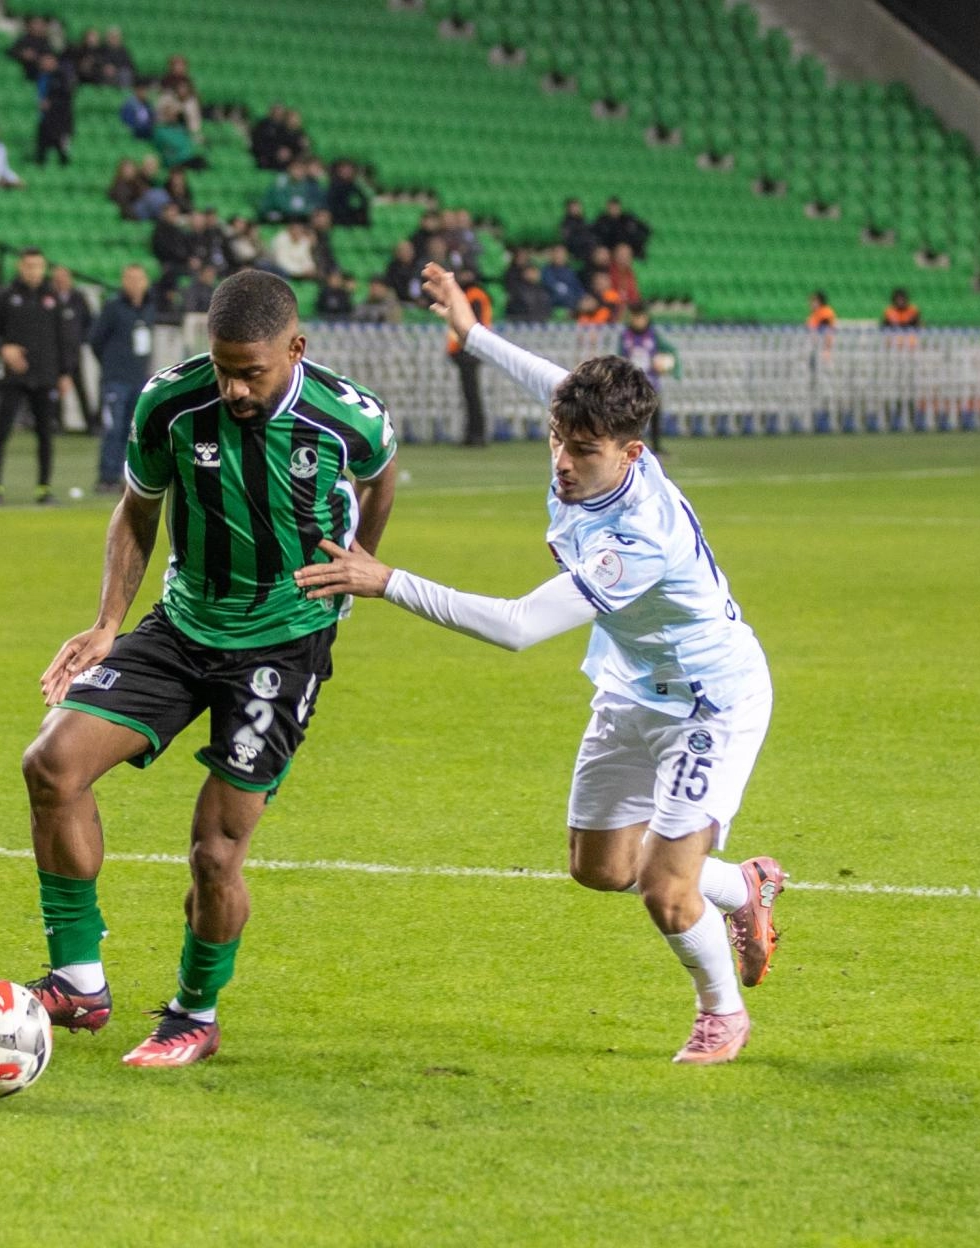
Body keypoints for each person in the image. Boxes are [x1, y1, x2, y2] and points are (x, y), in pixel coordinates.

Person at [294, 262, 784, 1066]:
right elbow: (551, 383)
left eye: (581, 451)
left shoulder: (639, 538)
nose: (561, 459)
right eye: (557, 439)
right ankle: (744, 886)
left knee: (665, 890)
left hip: (709, 702)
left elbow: (520, 626)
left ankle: (722, 1013)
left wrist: (388, 581)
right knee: (602, 868)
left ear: (630, 453)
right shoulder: (585, 434)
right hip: (629, 686)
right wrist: (471, 332)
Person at [15, 270, 398, 1067]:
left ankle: (194, 1013)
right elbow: (137, 509)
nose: (233, 388)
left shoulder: (348, 418)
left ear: (295, 349)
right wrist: (108, 623)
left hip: (284, 645)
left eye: (250, 372)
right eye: (222, 368)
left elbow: (382, 473)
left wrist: (362, 558)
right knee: (51, 764)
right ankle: (78, 981)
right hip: (184, 623)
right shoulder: (169, 403)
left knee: (216, 851)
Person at [0, 248, 78, 503]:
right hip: (13, 376)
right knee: (2, 430)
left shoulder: (53, 297)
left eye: (38, 266)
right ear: (20, 267)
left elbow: (64, 338)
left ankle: (44, 488)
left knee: (46, 434)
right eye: (29, 266)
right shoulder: (5, 295)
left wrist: (65, 372)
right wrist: (4, 348)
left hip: (45, 375)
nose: (34, 271)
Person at [86, 262, 156, 493]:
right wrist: (111, 364)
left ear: (145, 282)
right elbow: (96, 340)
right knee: (113, 428)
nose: (134, 284)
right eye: (130, 279)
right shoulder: (113, 307)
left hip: (139, 379)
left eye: (139, 279)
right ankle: (107, 477)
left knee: (133, 430)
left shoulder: (149, 307)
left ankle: (128, 476)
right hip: (116, 379)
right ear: (123, 282)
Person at [619, 301, 675, 451]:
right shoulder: (625, 336)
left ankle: (656, 446)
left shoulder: (653, 335)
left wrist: (666, 364)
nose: (639, 321)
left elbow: (670, 351)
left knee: (655, 414)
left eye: (641, 317)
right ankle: (635, 446)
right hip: (632, 383)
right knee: (634, 417)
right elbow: (620, 357)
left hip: (651, 382)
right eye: (636, 317)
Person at [447, 268, 494, 446]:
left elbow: (471, 325)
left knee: (472, 395)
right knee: (470, 394)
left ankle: (476, 434)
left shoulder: (474, 295)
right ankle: (473, 433)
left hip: (469, 349)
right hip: (467, 349)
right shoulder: (470, 294)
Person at [51, 264, 95, 426]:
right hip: (54, 350)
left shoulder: (78, 298)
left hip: (74, 350)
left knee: (80, 386)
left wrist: (81, 338)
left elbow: (89, 321)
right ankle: (56, 421)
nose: (61, 281)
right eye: (58, 278)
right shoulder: (50, 298)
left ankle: (90, 423)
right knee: (55, 387)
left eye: (63, 278)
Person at [33, 52, 74, 165]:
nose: (44, 63)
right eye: (43, 61)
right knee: (41, 149)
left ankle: (64, 169)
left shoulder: (62, 78)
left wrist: (51, 103)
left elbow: (67, 99)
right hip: (45, 120)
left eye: (47, 61)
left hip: (60, 122)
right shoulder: (40, 76)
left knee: (62, 150)